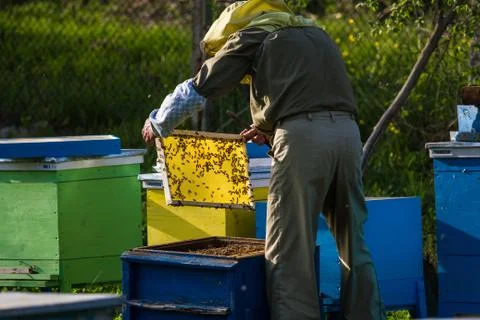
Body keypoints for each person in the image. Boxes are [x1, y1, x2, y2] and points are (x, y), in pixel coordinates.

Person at [142, 1, 386, 319]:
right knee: (353, 239)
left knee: (289, 246)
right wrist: (268, 127)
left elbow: (205, 83)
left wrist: (160, 121)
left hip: (303, 140)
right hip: (348, 135)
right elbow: (308, 91)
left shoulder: (253, 35)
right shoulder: (314, 32)